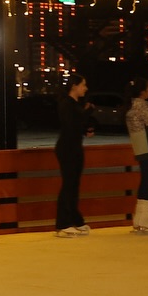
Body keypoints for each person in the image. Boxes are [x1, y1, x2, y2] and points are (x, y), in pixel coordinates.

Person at [53, 72, 94, 238]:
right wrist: (87, 112)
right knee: (69, 185)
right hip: (67, 148)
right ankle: (62, 224)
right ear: (74, 86)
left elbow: (76, 125)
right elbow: (70, 125)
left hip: (75, 147)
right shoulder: (66, 104)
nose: (86, 88)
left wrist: (86, 129)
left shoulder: (76, 104)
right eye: (83, 85)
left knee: (74, 185)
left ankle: (75, 220)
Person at [123, 78, 148, 234]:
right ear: (142, 91)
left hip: (139, 146)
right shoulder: (143, 105)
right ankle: (145, 219)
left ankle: (140, 218)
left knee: (145, 179)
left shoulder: (131, 105)